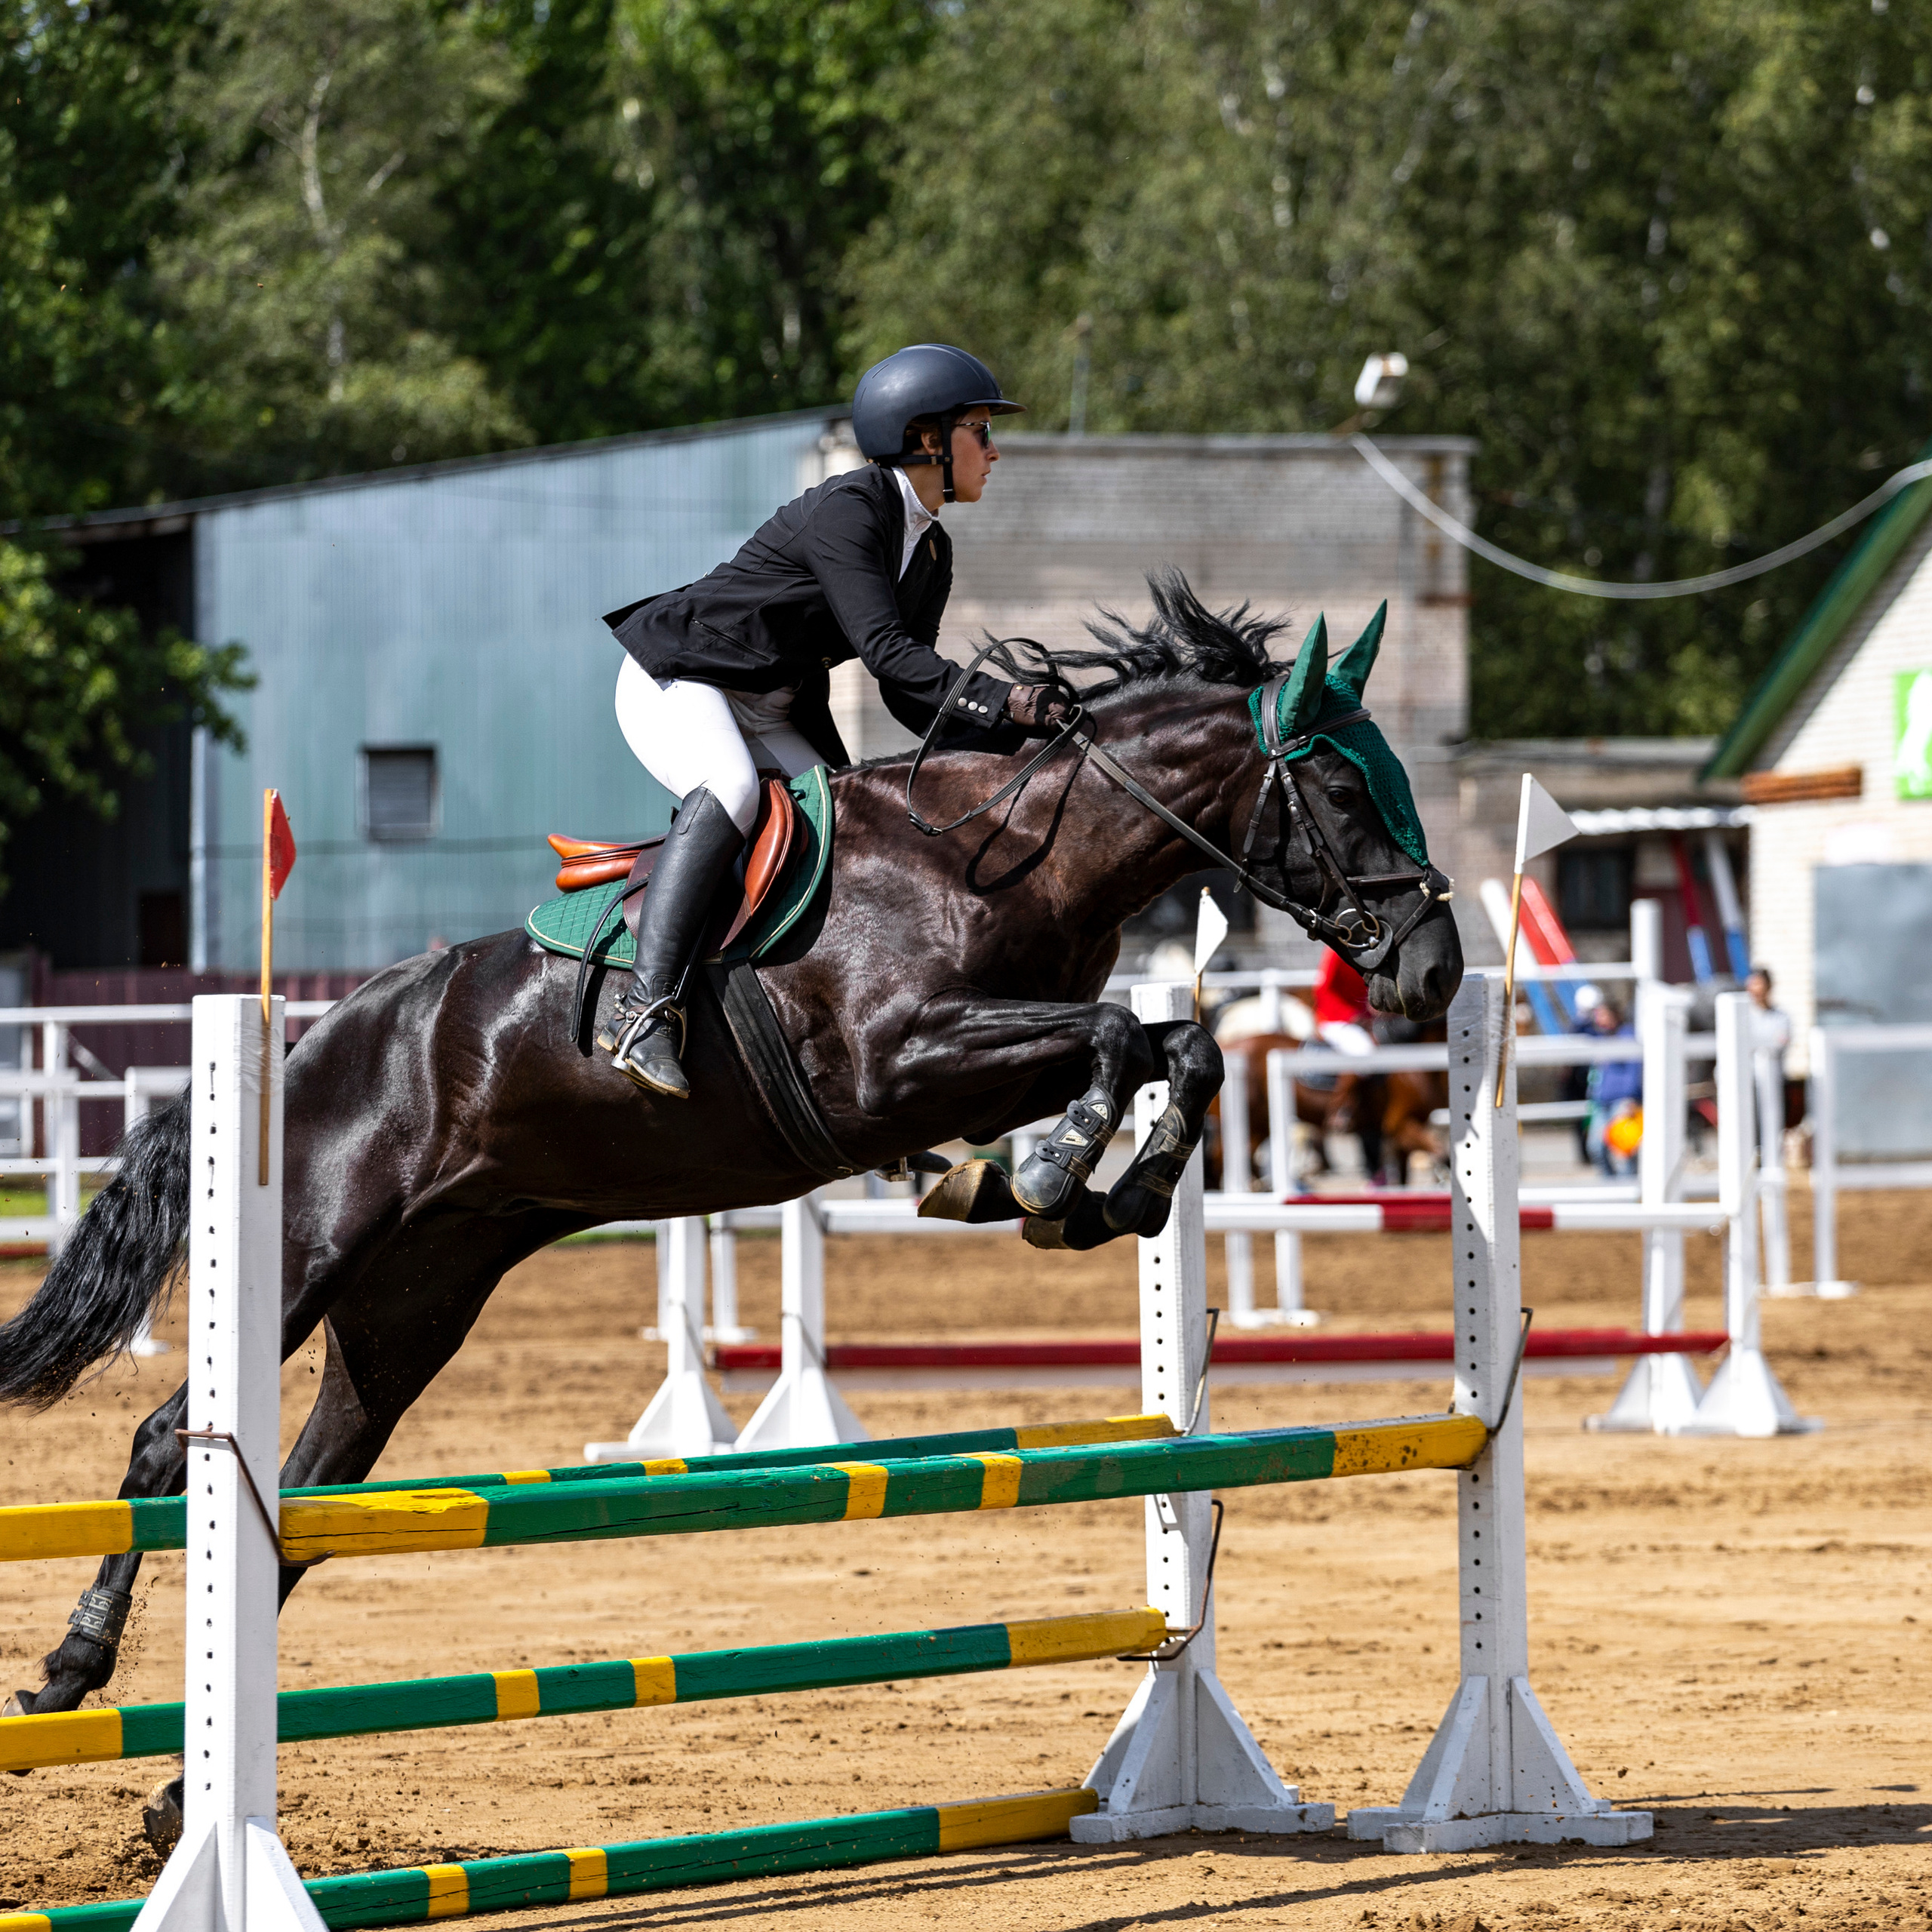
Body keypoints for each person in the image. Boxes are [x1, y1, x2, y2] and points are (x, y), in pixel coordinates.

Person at [596, 345, 1071, 1098]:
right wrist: (1007, 697)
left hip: (771, 701)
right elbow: (885, 653)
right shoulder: (853, 508)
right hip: (682, 677)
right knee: (732, 790)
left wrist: (1023, 744)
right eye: (979, 429)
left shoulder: (931, 548)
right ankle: (643, 1011)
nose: (994, 449)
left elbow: (912, 698)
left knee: (846, 826)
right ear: (925, 439)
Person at [1580, 988, 1641, 1177]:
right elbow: (1577, 1029)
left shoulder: (1628, 1036)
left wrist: (1633, 1097)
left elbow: (1635, 1069)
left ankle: (1627, 1190)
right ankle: (1611, 1186)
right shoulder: (1600, 1037)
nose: (1599, 1019)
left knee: (1624, 1149)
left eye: (1603, 1015)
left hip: (1623, 1101)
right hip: (1602, 1102)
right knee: (1596, 1147)